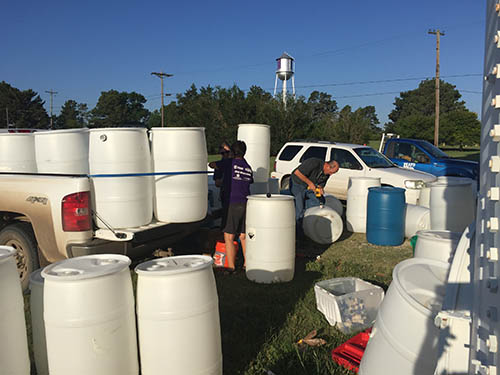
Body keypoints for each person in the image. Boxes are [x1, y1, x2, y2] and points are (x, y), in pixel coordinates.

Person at [210, 141, 253, 271]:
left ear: (232, 153)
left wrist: (225, 161)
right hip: (246, 202)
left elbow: (211, 164)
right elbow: (248, 180)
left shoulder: (229, 163)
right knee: (243, 235)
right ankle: (247, 264)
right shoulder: (248, 167)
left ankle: (231, 267)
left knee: (228, 236)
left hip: (232, 203)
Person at [289, 158, 339, 224]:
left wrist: (320, 189)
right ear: (327, 166)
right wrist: (310, 183)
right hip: (297, 183)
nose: (331, 174)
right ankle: (298, 228)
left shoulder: (327, 174)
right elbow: (297, 173)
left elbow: (321, 185)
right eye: (331, 172)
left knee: (319, 201)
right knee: (300, 206)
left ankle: (311, 222)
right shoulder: (313, 163)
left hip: (309, 187)